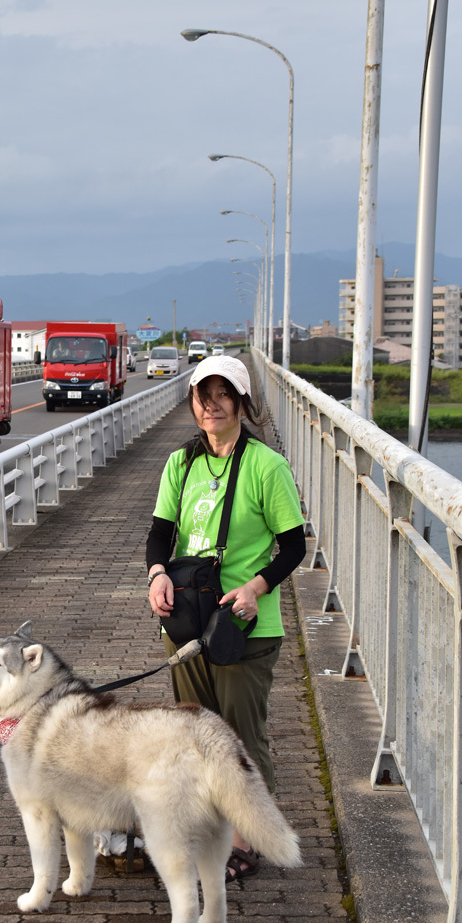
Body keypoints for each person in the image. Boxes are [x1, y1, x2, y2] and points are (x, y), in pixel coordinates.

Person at [146, 354, 306, 882]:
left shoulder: (266, 466)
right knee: (194, 732)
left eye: (222, 394)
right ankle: (208, 834)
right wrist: (156, 575)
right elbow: (160, 533)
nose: (211, 405)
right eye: (202, 395)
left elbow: (292, 546)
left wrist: (257, 587)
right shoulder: (181, 463)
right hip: (188, 618)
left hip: (243, 623)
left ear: (241, 402)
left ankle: (247, 839)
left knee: (239, 735)